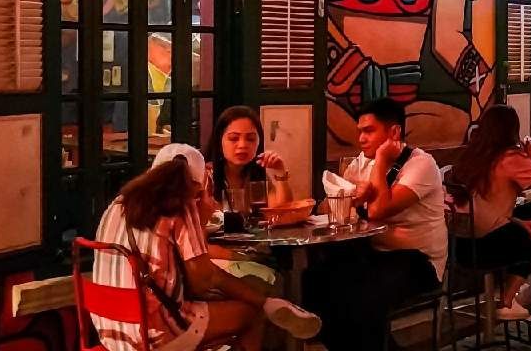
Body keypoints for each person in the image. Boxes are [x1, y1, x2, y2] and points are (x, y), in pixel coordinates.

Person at [93, 144, 319, 351]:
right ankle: (269, 304)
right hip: (154, 335)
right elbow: (203, 281)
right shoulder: (181, 205)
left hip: (109, 330)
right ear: (195, 184)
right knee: (251, 313)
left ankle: (269, 303)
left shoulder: (117, 204)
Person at [309, 98, 447, 349]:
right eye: (359, 131)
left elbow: (378, 211)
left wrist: (382, 161)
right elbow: (326, 208)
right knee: (318, 282)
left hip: (419, 261)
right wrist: (349, 197)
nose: (361, 139)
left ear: (394, 132)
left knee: (363, 298)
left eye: (369, 131)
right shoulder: (361, 162)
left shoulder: (421, 164)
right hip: (374, 255)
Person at [453, 104, 531, 319]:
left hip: (459, 247)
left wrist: (518, 222)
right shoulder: (511, 158)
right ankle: (510, 300)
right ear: (512, 130)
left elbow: (484, 207)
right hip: (486, 249)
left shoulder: (471, 156)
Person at [204, 106, 292, 210]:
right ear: (219, 141)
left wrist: (280, 172)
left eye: (250, 139)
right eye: (234, 138)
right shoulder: (207, 175)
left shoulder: (257, 173)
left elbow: (281, 214)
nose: (242, 145)